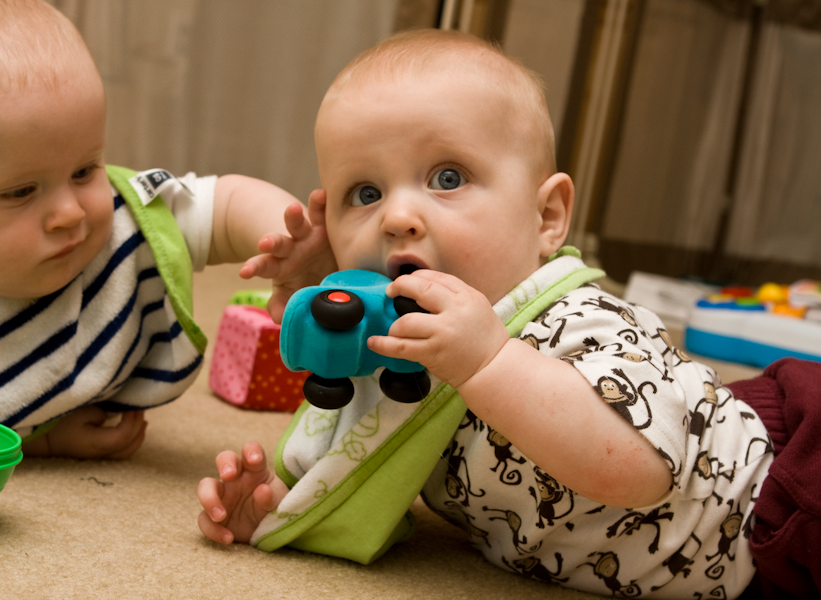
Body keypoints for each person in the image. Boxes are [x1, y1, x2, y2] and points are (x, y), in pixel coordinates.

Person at [197, 29, 820, 599]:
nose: (396, 217)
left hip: (779, 499)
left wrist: (491, 361)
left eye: (447, 177)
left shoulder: (579, 319)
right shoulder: (400, 343)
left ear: (546, 217)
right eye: (365, 194)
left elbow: (640, 472)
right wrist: (282, 504)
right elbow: (365, 451)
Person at [0, 0, 332, 460]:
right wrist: (48, 438)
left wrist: (291, 243)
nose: (71, 213)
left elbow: (225, 204)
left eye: (84, 170)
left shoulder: (124, 221)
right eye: (20, 192)